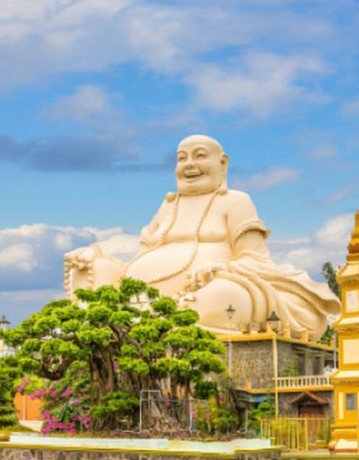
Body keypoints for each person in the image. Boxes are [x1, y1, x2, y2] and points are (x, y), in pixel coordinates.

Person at [64, 135, 340, 336]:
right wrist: (97, 257)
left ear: (223, 164)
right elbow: (138, 261)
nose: (189, 164)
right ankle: (109, 331)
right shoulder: (168, 205)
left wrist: (223, 267)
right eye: (181, 158)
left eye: (199, 155)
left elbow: (256, 259)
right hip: (144, 298)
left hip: (212, 288)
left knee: (224, 296)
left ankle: (159, 324)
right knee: (94, 267)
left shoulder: (235, 200)